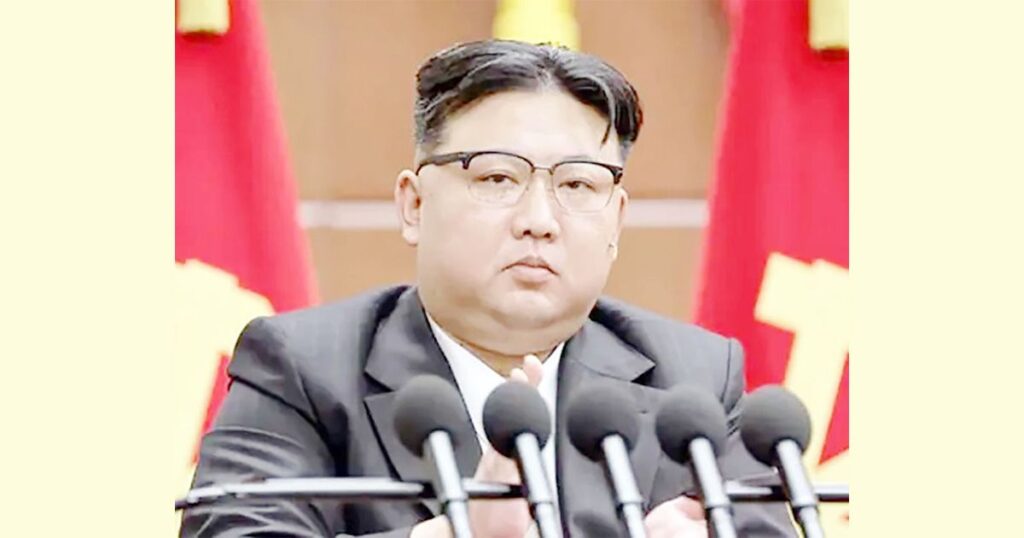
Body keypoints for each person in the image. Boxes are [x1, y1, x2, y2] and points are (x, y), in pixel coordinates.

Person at [180, 39, 794, 538]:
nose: (539, 220)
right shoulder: (302, 369)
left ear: (616, 220)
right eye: (498, 178)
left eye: (578, 186)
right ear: (414, 205)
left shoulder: (693, 381)